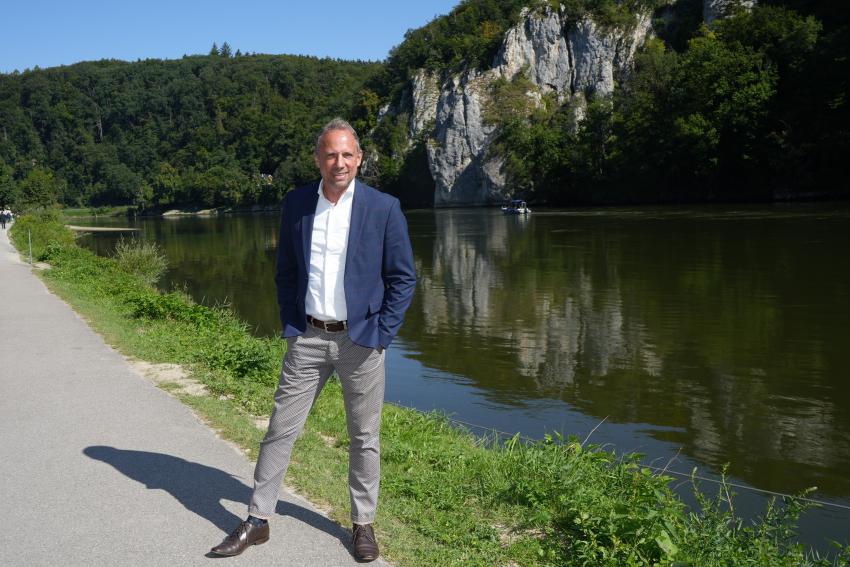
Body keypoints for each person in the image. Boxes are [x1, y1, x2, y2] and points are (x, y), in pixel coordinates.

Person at [211, 118, 416, 562]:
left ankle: (363, 524)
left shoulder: (384, 208)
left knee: (364, 437)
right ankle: (257, 519)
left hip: (361, 340)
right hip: (308, 337)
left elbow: (402, 278)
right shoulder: (298, 203)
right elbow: (285, 270)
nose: (338, 162)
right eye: (330, 154)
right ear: (317, 159)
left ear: (359, 159)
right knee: (280, 430)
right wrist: (291, 321)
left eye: (346, 155)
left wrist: (382, 333)